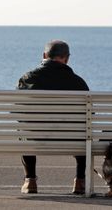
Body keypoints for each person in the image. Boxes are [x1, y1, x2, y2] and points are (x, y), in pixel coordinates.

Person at [17, 40, 89, 194]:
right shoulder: (78, 82)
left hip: (35, 137)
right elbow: (89, 116)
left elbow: (18, 112)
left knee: (24, 131)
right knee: (84, 133)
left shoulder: (27, 79)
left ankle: (30, 181)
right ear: (67, 58)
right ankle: (80, 181)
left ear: (44, 55)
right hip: (70, 138)